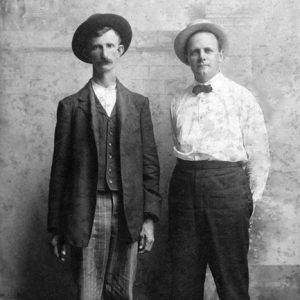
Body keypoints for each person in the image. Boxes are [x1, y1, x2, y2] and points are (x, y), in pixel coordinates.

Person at [47, 13, 161, 300]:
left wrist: (149, 219)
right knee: (88, 290)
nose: (105, 53)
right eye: (98, 46)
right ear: (88, 52)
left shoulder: (138, 105)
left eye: (111, 46)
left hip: (128, 208)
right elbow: (59, 171)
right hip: (85, 209)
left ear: (120, 50)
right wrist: (57, 227)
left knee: (123, 290)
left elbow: (150, 166)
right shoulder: (71, 106)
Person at [169, 19, 270, 300]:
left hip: (227, 189)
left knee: (231, 278)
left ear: (220, 56)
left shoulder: (241, 97)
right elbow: (178, 145)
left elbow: (259, 155)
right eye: (195, 52)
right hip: (184, 187)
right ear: (187, 58)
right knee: (183, 278)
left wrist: (246, 201)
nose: (201, 57)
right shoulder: (178, 101)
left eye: (208, 51)